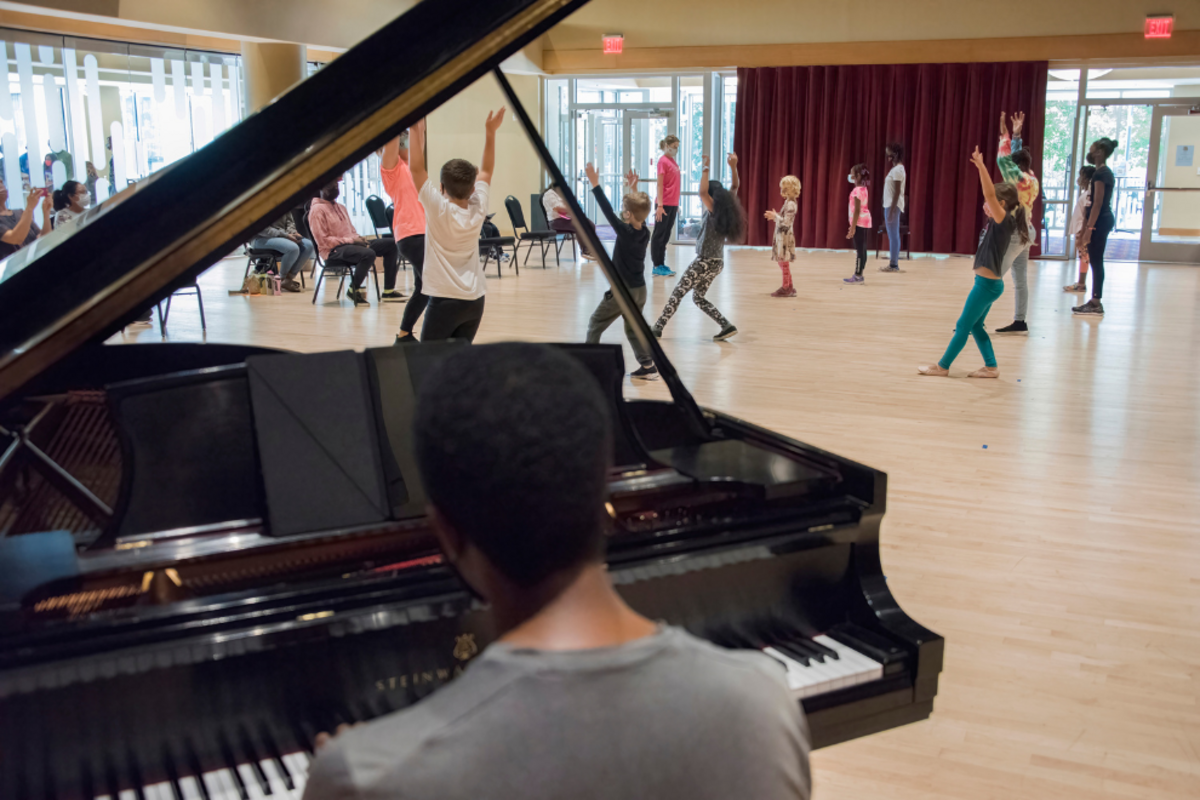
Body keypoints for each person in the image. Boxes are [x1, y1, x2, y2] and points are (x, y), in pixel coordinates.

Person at [301, 342, 813, 800]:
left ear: (448, 534)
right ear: (605, 502)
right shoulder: (762, 706)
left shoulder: (367, 776)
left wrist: (360, 762)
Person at [918, 147, 1028, 379]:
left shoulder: (1003, 221)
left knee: (963, 325)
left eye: (990, 202)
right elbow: (989, 197)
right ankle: (991, 367)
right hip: (987, 283)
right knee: (976, 326)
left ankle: (942, 366)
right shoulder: (996, 223)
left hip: (986, 286)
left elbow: (989, 194)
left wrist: (981, 166)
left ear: (1000, 204)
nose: (984, 204)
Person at [409, 108, 505, 342]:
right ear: (473, 189)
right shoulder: (478, 206)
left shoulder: (438, 208)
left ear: (441, 188)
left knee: (429, 364)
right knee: (459, 364)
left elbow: (416, 169)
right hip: (475, 301)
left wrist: (414, 129)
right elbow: (486, 170)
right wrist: (490, 132)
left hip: (444, 302)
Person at [652, 153, 744, 342]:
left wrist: (705, 168)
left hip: (703, 262)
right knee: (698, 297)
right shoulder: (726, 209)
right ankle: (726, 325)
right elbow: (735, 186)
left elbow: (702, 193)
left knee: (678, 292)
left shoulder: (714, 210)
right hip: (717, 263)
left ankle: (658, 327)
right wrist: (733, 167)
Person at [583, 163, 656, 380]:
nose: (622, 211)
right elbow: (638, 212)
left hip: (623, 292)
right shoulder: (645, 232)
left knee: (595, 323)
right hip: (640, 291)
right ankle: (648, 366)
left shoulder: (624, 232)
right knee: (632, 329)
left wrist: (595, 184)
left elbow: (606, 209)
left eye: (625, 209)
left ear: (629, 214)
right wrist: (634, 190)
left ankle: (587, 367)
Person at [309, 180, 401, 307]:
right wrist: (352, 241)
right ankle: (353, 289)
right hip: (333, 251)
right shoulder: (316, 210)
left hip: (351, 245)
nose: (334, 188)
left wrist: (359, 239)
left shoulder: (341, 207)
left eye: (336, 185)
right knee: (368, 254)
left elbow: (351, 231)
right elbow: (323, 241)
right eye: (331, 186)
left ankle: (389, 291)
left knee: (392, 244)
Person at [993, 112, 1041, 336]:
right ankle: (1020, 321)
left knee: (991, 276)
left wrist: (1004, 134)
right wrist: (1017, 134)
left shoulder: (1019, 178)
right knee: (1020, 279)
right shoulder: (1032, 178)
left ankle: (974, 320)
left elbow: (1004, 160)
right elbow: (1016, 158)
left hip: (1014, 232)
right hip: (1027, 231)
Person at [381, 130, 429, 342]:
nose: (412, 144)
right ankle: (427, 336)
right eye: (405, 141)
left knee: (424, 288)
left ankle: (404, 334)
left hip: (425, 233)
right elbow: (391, 144)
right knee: (433, 284)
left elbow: (420, 132)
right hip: (411, 235)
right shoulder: (392, 169)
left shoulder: (414, 168)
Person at [1073, 137, 1118, 317]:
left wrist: (1089, 230)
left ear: (1099, 152)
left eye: (1092, 148)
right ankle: (1095, 300)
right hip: (1101, 221)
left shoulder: (1101, 174)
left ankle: (1096, 302)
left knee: (1097, 261)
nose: (1089, 151)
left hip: (1100, 221)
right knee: (1096, 261)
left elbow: (1097, 203)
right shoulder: (1102, 172)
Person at [251, 210, 314, 293]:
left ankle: (288, 279)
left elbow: (290, 222)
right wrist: (286, 236)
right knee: (292, 248)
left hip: (282, 236)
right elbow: (264, 230)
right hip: (261, 238)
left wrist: (293, 233)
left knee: (308, 245)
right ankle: (281, 279)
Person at [541, 183, 597, 261]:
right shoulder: (549, 194)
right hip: (556, 221)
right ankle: (586, 251)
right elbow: (558, 208)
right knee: (580, 226)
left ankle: (592, 249)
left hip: (566, 219)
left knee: (590, 224)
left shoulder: (561, 195)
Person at [765, 174, 800, 297]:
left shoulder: (790, 204)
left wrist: (775, 217)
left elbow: (786, 223)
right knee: (782, 262)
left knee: (784, 262)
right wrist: (777, 216)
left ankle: (786, 288)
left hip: (785, 237)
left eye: (785, 188)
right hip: (782, 236)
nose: (782, 191)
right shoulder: (788, 202)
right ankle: (789, 286)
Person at [652, 134, 681, 277]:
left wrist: (677, 204)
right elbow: (660, 184)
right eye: (674, 147)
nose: (676, 149)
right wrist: (660, 205)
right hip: (664, 204)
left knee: (665, 236)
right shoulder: (662, 162)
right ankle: (657, 265)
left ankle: (661, 264)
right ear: (666, 146)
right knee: (659, 235)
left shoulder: (672, 162)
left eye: (677, 147)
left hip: (673, 204)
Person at [0, 180, 51, 259]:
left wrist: (46, 213)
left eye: (1, 182)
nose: (1, 186)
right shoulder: (25, 212)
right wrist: (30, 207)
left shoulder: (20, 212)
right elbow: (16, 238)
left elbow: (43, 237)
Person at [1064, 165, 1095, 293]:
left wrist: (1082, 233)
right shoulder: (1086, 193)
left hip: (1082, 229)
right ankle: (1080, 282)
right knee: (1083, 256)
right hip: (1079, 229)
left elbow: (1087, 215)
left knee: (1084, 256)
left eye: (1081, 176)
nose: (1079, 179)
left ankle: (1081, 283)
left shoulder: (1089, 194)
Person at [843, 165, 871, 284]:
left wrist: (853, 227)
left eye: (852, 173)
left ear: (858, 176)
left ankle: (858, 275)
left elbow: (857, 210)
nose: (850, 176)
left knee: (859, 250)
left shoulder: (856, 191)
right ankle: (860, 273)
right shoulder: (864, 189)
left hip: (859, 222)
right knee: (862, 248)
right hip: (865, 221)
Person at [880, 142, 906, 272]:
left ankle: (894, 264)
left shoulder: (898, 170)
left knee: (893, 235)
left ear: (895, 155)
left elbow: (896, 191)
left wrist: (891, 211)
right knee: (893, 235)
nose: (888, 157)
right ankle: (893, 263)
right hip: (891, 205)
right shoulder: (897, 169)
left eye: (889, 154)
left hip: (892, 206)